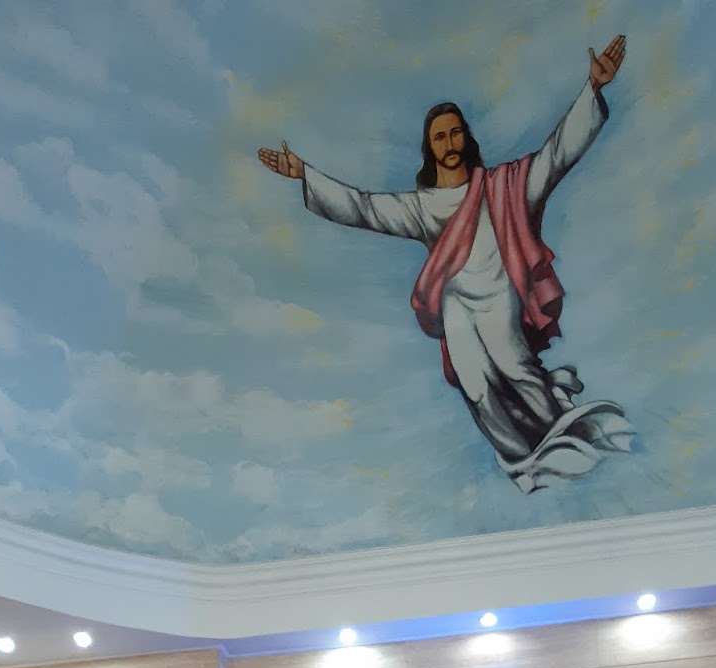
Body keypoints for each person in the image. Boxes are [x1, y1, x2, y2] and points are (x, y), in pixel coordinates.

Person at [255, 39, 633, 491]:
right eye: (439, 137)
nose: (449, 143)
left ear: (466, 138)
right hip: (457, 305)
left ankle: (561, 431)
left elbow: (555, 157)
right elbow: (365, 207)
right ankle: (522, 458)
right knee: (476, 386)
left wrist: (593, 89)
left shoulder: (504, 186)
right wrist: (305, 175)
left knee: (514, 365)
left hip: (499, 293)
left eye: (455, 133)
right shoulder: (423, 207)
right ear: (429, 148)